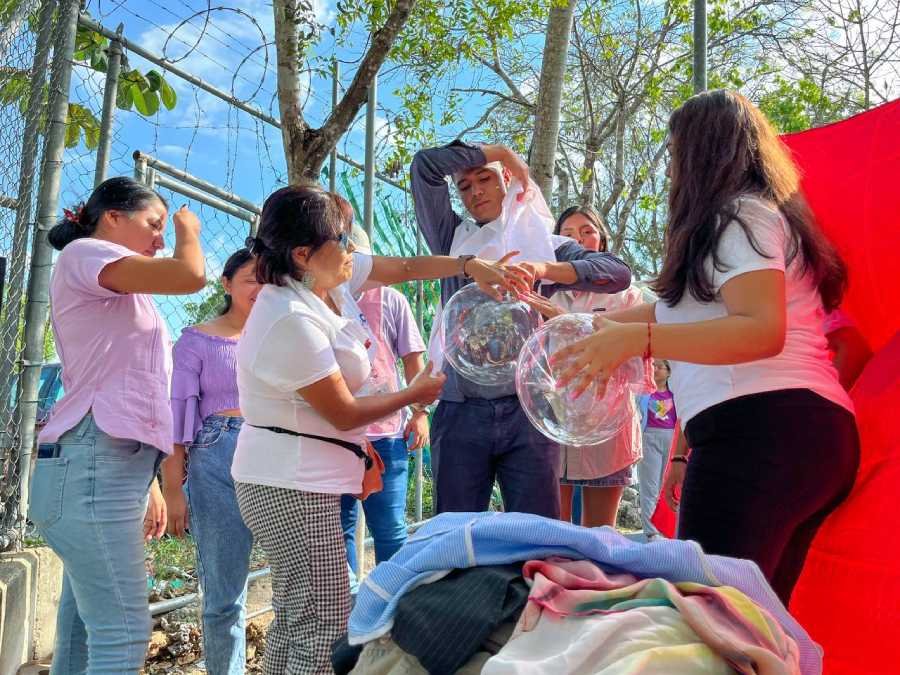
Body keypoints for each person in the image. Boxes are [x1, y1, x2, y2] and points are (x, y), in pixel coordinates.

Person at [554, 90, 859, 604]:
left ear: (701, 153)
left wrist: (639, 341)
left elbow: (761, 329)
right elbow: (668, 310)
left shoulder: (737, 217)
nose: (671, 170)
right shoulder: (758, 218)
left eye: (676, 153)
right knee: (754, 629)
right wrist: (587, 334)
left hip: (762, 434)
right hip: (798, 437)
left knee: (706, 620)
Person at [231, 182, 529, 674]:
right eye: (343, 240)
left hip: (304, 474)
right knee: (325, 624)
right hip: (290, 482)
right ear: (304, 253)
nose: (354, 250)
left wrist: (467, 265)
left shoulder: (328, 282)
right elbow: (344, 412)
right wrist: (415, 396)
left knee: (296, 616)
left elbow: (407, 268)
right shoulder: (289, 317)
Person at [29, 176, 205, 673]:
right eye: (154, 224)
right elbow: (191, 274)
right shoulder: (86, 253)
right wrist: (189, 226)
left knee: (85, 631)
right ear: (112, 217)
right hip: (90, 467)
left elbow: (130, 388)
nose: (160, 239)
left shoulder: (123, 290)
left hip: (102, 466)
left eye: (166, 228)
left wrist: (145, 480)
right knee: (123, 634)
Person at [410, 142, 632, 518]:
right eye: (464, 186)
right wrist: (498, 151)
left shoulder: (546, 243)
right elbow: (425, 166)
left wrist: (545, 270)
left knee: (535, 535)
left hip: (529, 410)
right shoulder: (451, 239)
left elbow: (617, 273)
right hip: (460, 407)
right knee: (455, 532)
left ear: (509, 182)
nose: (475, 191)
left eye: (486, 178)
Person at [161, 248, 259, 674]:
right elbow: (175, 417)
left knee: (306, 584)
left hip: (277, 455)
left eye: (270, 279)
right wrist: (172, 490)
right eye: (251, 279)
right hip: (216, 457)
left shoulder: (285, 335)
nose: (261, 288)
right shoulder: (197, 339)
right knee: (224, 596)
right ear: (227, 283)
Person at [518, 205, 643, 527]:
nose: (579, 240)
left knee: (601, 535)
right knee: (553, 532)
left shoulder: (627, 295)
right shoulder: (540, 294)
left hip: (608, 434)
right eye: (568, 234)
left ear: (602, 240)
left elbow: (636, 361)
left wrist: (568, 323)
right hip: (553, 428)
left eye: (587, 231)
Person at [341, 227, 428, 578]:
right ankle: (349, 613)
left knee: (390, 529)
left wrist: (420, 412)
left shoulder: (390, 300)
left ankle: (391, 607)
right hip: (338, 433)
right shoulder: (322, 301)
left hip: (386, 433)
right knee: (340, 530)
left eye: (357, 258)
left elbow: (412, 360)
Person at [637, 359, 677, 540]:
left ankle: (668, 529)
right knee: (649, 486)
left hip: (670, 438)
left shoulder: (675, 394)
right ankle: (652, 532)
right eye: (654, 365)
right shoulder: (643, 393)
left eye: (661, 366)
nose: (656, 369)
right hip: (648, 437)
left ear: (669, 372)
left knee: (666, 486)